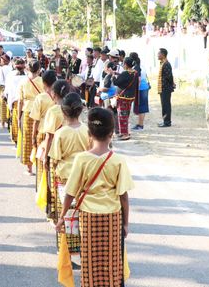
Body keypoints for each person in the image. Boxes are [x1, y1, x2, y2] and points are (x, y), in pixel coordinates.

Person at [56, 108, 134, 287]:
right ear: (111, 133)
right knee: (112, 263)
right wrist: (125, 223)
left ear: (89, 134)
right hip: (112, 217)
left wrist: (62, 218)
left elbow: (70, 193)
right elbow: (123, 196)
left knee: (90, 263)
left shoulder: (82, 159)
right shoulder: (118, 160)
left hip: (88, 218)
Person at [50, 92, 89, 257]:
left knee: (67, 215)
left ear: (63, 112)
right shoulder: (87, 129)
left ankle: (68, 252)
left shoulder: (60, 133)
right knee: (83, 215)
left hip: (65, 179)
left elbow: (54, 159)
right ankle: (85, 247)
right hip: (85, 179)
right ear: (80, 111)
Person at [42, 80, 70, 219]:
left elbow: (49, 136)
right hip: (73, 152)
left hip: (56, 152)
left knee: (55, 184)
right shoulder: (72, 106)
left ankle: (55, 212)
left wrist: (45, 157)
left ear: (54, 93)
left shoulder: (53, 111)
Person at [29, 70, 58, 191]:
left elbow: (35, 120)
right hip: (58, 135)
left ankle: (43, 191)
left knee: (42, 165)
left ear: (43, 82)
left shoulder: (40, 98)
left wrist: (33, 136)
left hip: (43, 134)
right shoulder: (60, 97)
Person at [17, 60, 43, 175]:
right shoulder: (43, 81)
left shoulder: (23, 82)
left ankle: (29, 167)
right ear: (39, 70)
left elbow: (20, 101)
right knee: (40, 137)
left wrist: (18, 117)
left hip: (27, 111)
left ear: (27, 68)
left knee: (27, 140)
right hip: (41, 111)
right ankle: (41, 165)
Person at [113, 57, 138, 141]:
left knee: (122, 115)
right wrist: (117, 74)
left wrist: (112, 75)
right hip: (130, 97)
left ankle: (125, 134)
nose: (123, 65)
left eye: (124, 63)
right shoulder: (135, 73)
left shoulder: (125, 73)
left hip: (123, 97)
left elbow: (116, 82)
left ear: (126, 64)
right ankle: (125, 132)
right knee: (126, 115)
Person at [5, 58, 27, 143]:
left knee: (16, 122)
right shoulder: (27, 78)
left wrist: (9, 105)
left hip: (15, 102)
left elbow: (9, 93)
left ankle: (17, 141)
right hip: (26, 103)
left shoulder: (11, 78)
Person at [131, 53, 149, 131]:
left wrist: (135, 90)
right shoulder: (141, 66)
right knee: (142, 106)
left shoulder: (136, 67)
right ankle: (139, 124)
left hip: (140, 88)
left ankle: (140, 125)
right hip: (145, 87)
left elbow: (138, 80)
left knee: (141, 107)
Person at [0, 52, 12, 128]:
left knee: (2, 106)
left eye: (1, 59)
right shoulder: (12, 69)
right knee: (10, 105)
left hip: (2, 88)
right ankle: (10, 122)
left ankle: (3, 123)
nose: (0, 61)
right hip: (11, 88)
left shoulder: (0, 70)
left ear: (4, 61)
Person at [157, 48, 174, 127]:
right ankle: (165, 120)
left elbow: (169, 76)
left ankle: (167, 122)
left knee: (166, 105)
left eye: (159, 54)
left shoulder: (166, 64)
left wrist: (172, 84)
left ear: (163, 55)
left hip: (166, 88)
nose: (157, 55)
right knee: (164, 105)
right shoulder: (162, 63)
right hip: (163, 88)